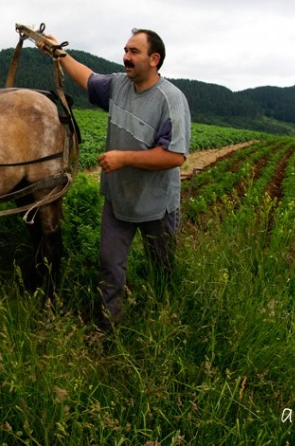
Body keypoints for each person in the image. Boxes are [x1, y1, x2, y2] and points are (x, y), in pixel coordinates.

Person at [37, 28, 191, 329]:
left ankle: (164, 324)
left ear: (154, 59)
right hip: (119, 200)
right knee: (109, 265)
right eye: (125, 50)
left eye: (134, 52)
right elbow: (87, 78)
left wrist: (123, 158)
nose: (126, 57)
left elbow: (175, 157)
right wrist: (59, 52)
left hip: (157, 206)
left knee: (162, 268)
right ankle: (109, 328)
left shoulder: (170, 100)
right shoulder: (118, 86)